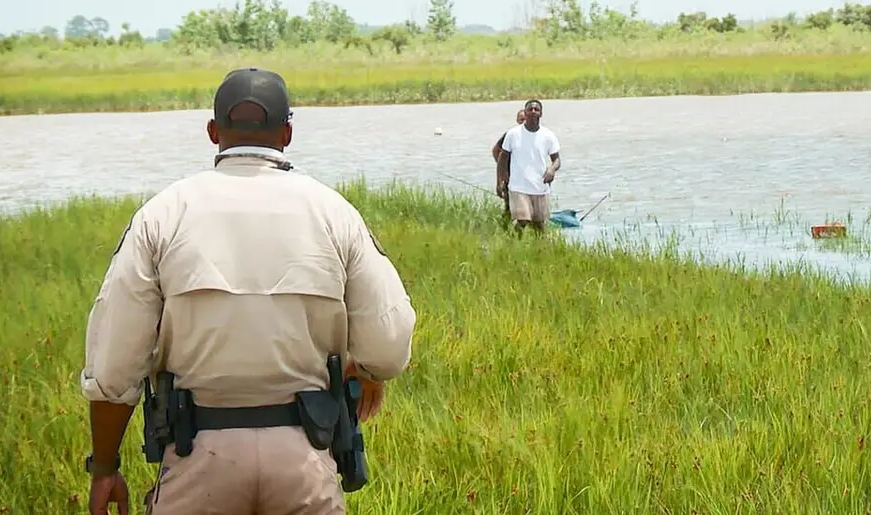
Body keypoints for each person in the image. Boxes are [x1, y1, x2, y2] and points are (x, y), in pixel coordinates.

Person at [78, 67, 417, 515]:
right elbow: (390, 344)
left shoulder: (163, 214)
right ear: (288, 133)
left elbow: (113, 365)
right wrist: (366, 368)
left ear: (213, 131)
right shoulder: (334, 212)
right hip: (304, 460)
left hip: (196, 458)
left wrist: (105, 467)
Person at [496, 99, 561, 233]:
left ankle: (542, 250)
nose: (533, 112)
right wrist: (503, 179)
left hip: (540, 186)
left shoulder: (548, 135)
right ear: (525, 113)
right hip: (518, 187)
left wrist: (551, 169)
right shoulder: (513, 134)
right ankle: (512, 243)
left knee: (539, 225)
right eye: (529, 109)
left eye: (536, 109)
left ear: (541, 114)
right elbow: (502, 157)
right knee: (523, 220)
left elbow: (557, 160)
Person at [492, 108, 526, 220]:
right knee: (509, 209)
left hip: (529, 180)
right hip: (511, 179)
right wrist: (502, 175)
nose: (523, 122)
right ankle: (505, 231)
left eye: (525, 119)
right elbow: (496, 151)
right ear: (517, 120)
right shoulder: (511, 135)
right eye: (521, 119)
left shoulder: (537, 134)